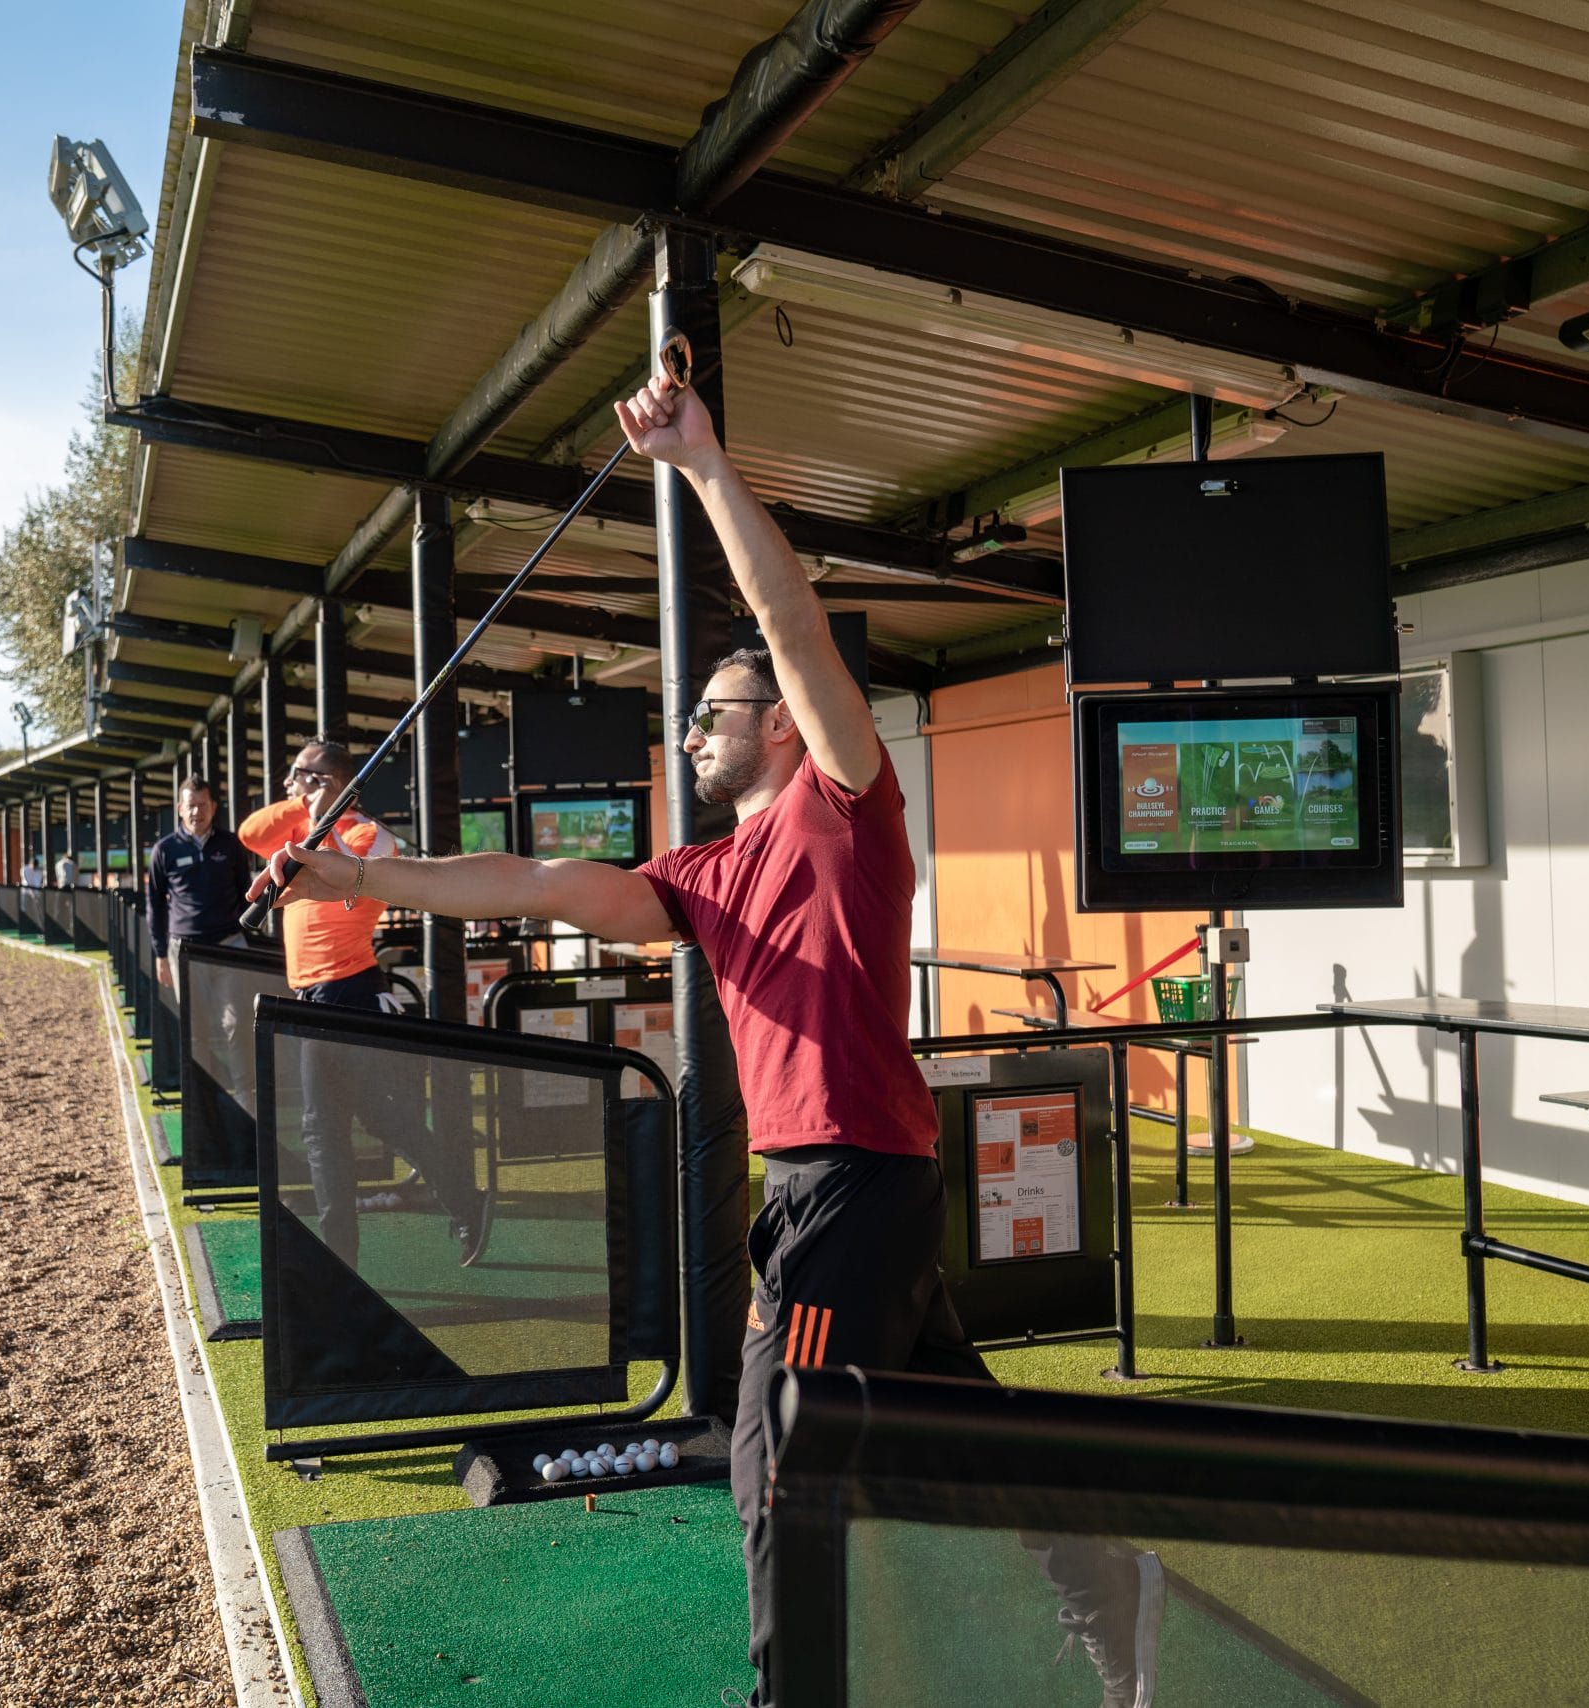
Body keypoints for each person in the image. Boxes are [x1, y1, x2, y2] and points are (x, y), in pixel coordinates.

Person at [255, 370, 1161, 1707]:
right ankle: (1106, 1574)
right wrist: (355, 884)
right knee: (965, 1438)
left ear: (779, 729)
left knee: (774, 1467)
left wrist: (700, 468)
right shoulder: (705, 874)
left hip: (850, 1187)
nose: (689, 732)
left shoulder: (845, 808)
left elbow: (791, 625)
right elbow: (532, 883)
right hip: (837, 1194)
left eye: (712, 715)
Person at [239, 741, 488, 1268]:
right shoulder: (297, 828)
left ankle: (467, 1204)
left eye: (296, 775)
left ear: (325, 779)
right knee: (321, 1129)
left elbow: (363, 867)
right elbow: (249, 832)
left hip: (352, 991)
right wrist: (308, 804)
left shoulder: (367, 834)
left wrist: (325, 807)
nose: (286, 785)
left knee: (385, 1120)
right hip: (309, 996)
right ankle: (340, 1260)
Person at [146, 775, 251, 1000]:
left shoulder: (231, 844)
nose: (196, 812)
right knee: (195, 1025)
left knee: (236, 1019)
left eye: (202, 805)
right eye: (190, 806)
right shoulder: (164, 850)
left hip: (230, 944)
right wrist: (161, 954)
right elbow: (155, 904)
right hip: (184, 949)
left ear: (213, 807)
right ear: (180, 809)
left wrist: (242, 927)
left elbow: (246, 891)